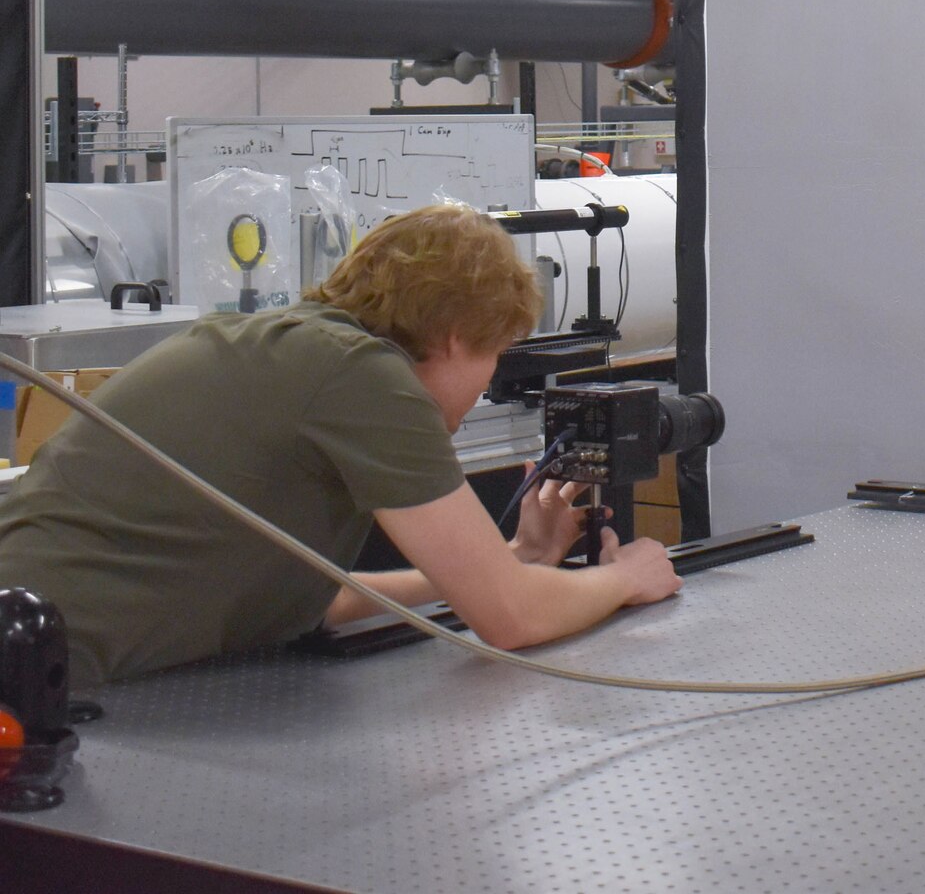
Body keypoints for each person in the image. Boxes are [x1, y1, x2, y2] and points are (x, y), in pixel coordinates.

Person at [0, 203, 682, 687]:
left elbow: (318, 596)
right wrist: (626, 577)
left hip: (37, 656)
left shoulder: (298, 349)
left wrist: (517, 556)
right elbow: (511, 619)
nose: (486, 384)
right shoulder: (362, 379)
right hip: (35, 675)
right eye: (494, 355)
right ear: (452, 335)